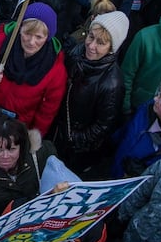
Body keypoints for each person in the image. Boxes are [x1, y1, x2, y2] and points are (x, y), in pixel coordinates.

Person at [0, 3, 67, 136]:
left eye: (39, 37)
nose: (31, 42)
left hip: (18, 131)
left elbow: (47, 113)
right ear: (19, 29)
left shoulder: (56, 69)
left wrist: (33, 138)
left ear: (48, 37)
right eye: (27, 33)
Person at [51, 12, 129, 178]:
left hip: (76, 150)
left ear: (111, 48)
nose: (91, 46)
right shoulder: (76, 53)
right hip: (56, 131)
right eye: (91, 37)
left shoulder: (112, 83)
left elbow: (103, 125)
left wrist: (74, 138)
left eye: (100, 43)